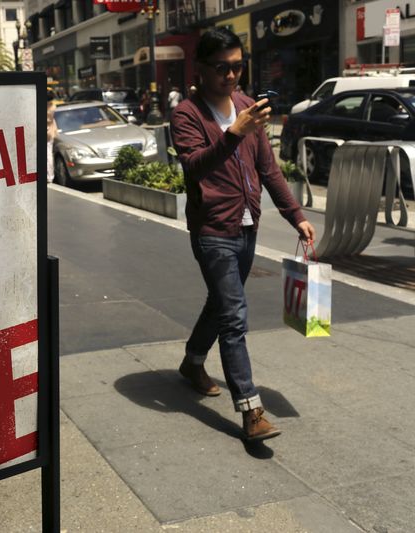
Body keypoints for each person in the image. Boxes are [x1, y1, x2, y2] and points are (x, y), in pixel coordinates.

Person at [170, 28, 316, 442]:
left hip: (247, 227)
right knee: (234, 316)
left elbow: (268, 170)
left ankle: (192, 361)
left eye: (238, 67)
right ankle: (251, 410)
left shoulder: (248, 106)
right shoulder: (187, 114)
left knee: (220, 306)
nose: (232, 76)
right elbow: (196, 165)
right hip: (212, 230)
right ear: (201, 69)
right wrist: (234, 132)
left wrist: (296, 216)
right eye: (222, 68)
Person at [47, 91, 58, 183]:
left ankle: (50, 176)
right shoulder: (53, 106)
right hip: (51, 131)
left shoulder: (48, 107)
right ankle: (50, 175)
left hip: (48, 132)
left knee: (48, 155)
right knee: (48, 154)